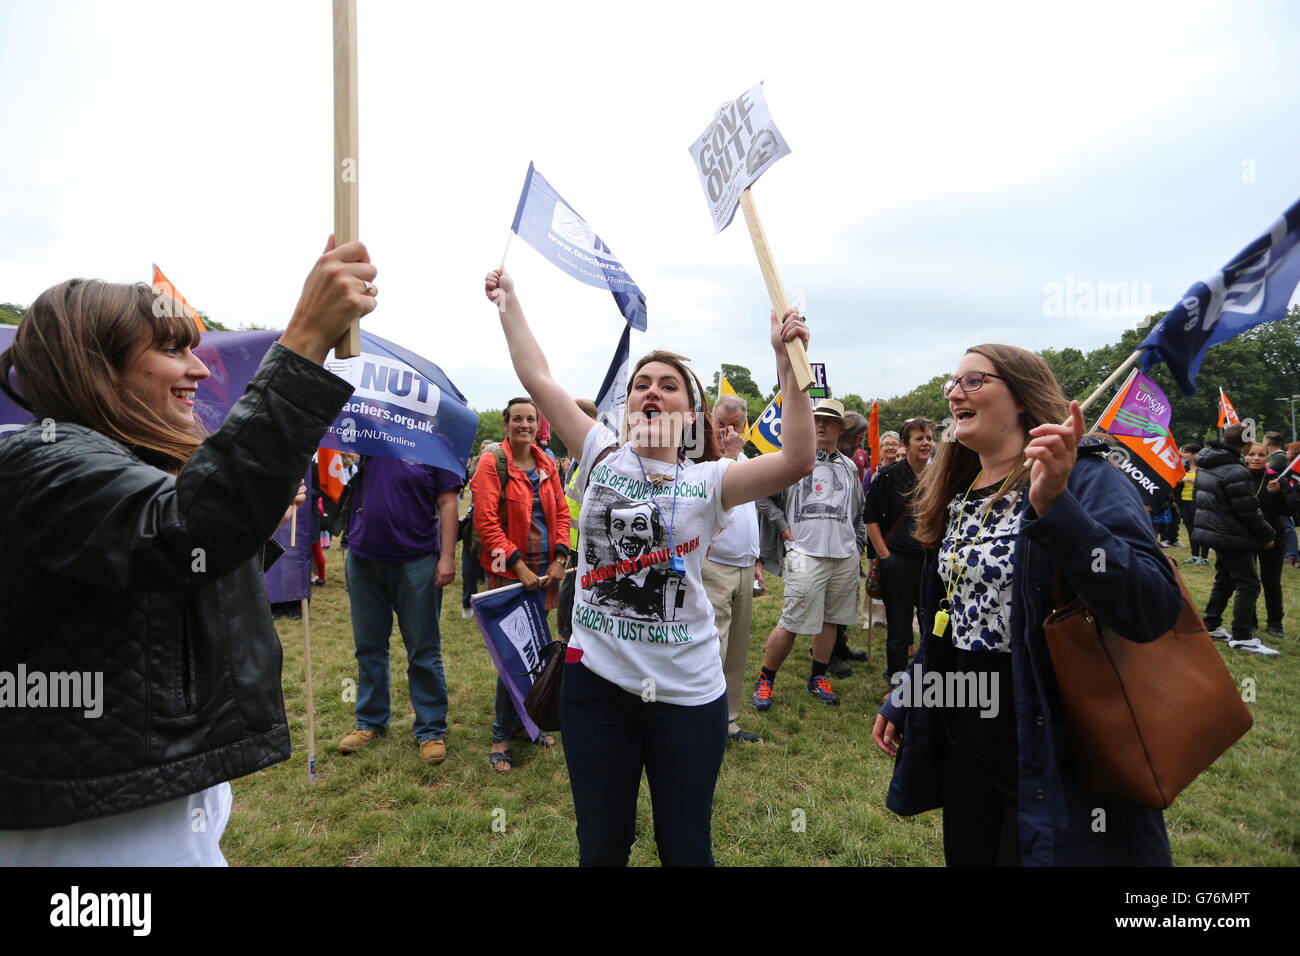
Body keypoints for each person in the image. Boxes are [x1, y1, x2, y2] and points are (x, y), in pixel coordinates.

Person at [0, 236, 376, 862]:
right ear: (95, 364)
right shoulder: (41, 459)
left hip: (151, 811)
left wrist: (245, 508)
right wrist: (305, 340)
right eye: (172, 349)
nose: (199, 371)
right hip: (87, 838)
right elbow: (183, 537)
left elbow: (167, 574)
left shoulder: (106, 462)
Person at [485, 267, 813, 867]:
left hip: (687, 697)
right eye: (642, 384)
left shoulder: (711, 481)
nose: (651, 391)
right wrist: (509, 302)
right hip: (597, 692)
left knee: (686, 850)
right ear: (628, 403)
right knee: (602, 847)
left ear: (692, 412)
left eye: (668, 385)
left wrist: (790, 369)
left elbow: (796, 458)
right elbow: (536, 376)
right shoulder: (598, 450)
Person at [871, 344, 1182, 866]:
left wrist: (1058, 508)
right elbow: (951, 619)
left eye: (974, 381)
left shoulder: (1086, 477)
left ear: (1020, 399)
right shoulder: (960, 490)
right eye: (952, 384)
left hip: (1049, 741)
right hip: (965, 737)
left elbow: (1152, 604)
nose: (954, 394)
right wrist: (910, 693)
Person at [338, 450, 461, 763]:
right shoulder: (371, 439)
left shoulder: (434, 442)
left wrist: (447, 557)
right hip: (363, 557)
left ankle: (431, 730)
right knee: (368, 648)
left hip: (417, 560)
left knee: (423, 649)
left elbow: (448, 502)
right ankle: (370, 722)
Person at [471, 397, 570, 772]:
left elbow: (560, 512)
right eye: (517, 419)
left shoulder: (546, 462)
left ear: (537, 424)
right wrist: (516, 565)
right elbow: (485, 522)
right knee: (513, 655)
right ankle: (502, 735)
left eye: (530, 419)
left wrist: (560, 558)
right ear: (506, 424)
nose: (523, 424)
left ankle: (530, 720)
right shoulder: (491, 462)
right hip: (509, 577)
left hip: (544, 575)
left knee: (538, 650)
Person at [752, 398, 866, 709]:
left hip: (843, 556)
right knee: (792, 620)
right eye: (816, 419)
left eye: (829, 421)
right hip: (805, 553)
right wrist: (783, 528)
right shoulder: (793, 461)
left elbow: (857, 513)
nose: (820, 425)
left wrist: (856, 547)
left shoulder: (850, 467)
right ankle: (765, 680)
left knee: (831, 620)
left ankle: (817, 677)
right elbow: (763, 497)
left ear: (840, 429)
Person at [702, 394, 765, 744]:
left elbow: (748, 517)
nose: (728, 431)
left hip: (742, 566)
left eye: (736, 425)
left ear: (745, 425)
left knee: (737, 648)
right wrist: (726, 456)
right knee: (715, 646)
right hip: (713, 568)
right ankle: (706, 719)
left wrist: (755, 560)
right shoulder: (702, 459)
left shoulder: (745, 459)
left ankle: (728, 721)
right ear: (711, 422)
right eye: (722, 424)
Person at [1193, 424, 1278, 655]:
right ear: (1247, 444)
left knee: (1225, 579)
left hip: (1217, 532)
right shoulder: (1235, 470)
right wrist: (1268, 534)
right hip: (1232, 534)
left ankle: (1210, 624)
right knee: (1249, 584)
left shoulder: (1207, 463)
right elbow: (1248, 510)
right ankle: (1242, 635)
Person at [866, 416, 934, 683]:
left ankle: (928, 679)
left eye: (929, 437)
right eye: (920, 438)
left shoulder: (939, 475)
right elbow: (870, 518)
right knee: (898, 628)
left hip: (931, 563)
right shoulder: (888, 475)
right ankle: (896, 685)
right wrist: (885, 557)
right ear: (907, 444)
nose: (926, 443)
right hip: (898, 563)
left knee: (931, 626)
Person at [1245, 443, 1287, 643]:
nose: (1256, 458)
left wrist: (1278, 493)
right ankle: (1249, 621)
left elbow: (1290, 511)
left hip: (1273, 538)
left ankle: (1275, 623)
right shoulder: (1238, 477)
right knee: (1248, 582)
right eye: (1251, 454)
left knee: (1271, 582)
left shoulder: (1276, 479)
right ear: (1245, 457)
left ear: (1267, 458)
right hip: (1246, 537)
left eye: (1261, 455)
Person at [1177, 443, 1208, 565]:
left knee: (1201, 530)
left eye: (1185, 452)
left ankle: (1204, 557)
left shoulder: (1204, 468)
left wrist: (1195, 481)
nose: (1182, 455)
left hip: (1199, 502)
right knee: (1191, 529)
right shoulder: (1184, 469)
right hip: (1185, 502)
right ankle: (1194, 555)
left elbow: (1209, 483)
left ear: (1195, 454)